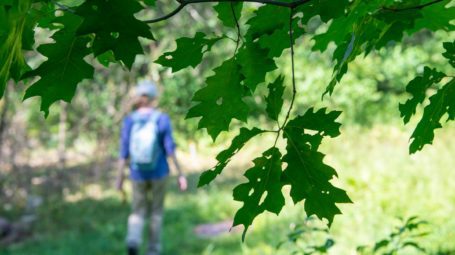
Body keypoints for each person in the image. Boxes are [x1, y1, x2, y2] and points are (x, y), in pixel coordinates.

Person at [116, 80, 187, 255]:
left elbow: (124, 152)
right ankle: (153, 250)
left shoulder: (130, 120)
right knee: (156, 212)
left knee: (138, 211)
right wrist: (180, 174)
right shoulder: (161, 119)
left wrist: (119, 179)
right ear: (153, 98)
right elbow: (170, 149)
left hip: (137, 173)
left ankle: (133, 240)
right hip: (159, 172)